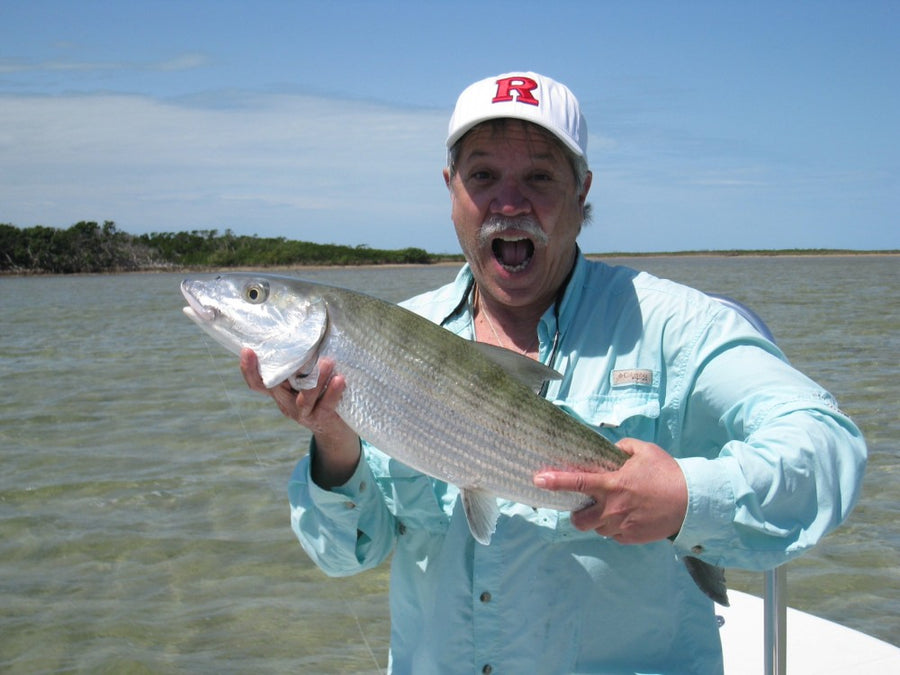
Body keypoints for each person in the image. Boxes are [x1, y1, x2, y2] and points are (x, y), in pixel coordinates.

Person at [240, 72, 867, 674]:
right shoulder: (389, 339)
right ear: (450, 186)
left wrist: (685, 500)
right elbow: (347, 556)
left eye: (539, 176)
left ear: (583, 190)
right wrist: (334, 440)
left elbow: (825, 442)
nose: (509, 203)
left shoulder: (678, 326)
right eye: (483, 175)